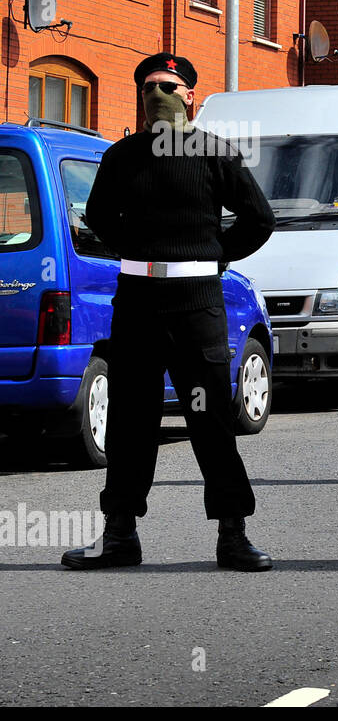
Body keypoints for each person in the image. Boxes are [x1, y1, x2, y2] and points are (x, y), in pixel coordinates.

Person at [62, 53, 275, 572]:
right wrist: (135, 250)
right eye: (149, 85)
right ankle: (119, 534)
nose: (158, 92)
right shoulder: (123, 156)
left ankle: (232, 534)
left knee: (208, 418)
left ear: (190, 97)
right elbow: (96, 219)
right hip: (137, 302)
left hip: (195, 303)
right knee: (131, 420)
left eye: (169, 84)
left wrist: (214, 255)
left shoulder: (214, 154)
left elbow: (258, 219)